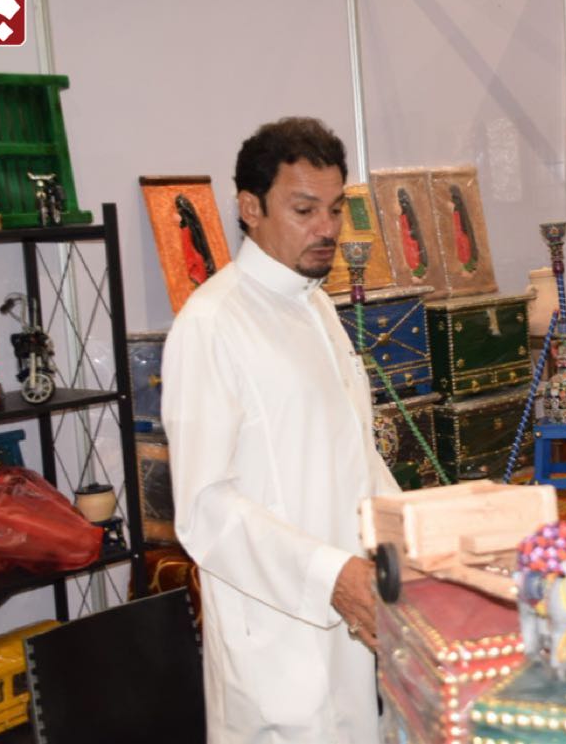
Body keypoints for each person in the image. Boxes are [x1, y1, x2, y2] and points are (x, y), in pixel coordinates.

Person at [162, 117, 400, 743]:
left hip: (352, 623)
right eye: (304, 210)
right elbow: (205, 508)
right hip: (275, 645)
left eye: (335, 208)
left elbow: (356, 457)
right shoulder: (211, 324)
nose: (327, 228)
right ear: (251, 208)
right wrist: (329, 576)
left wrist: (416, 542)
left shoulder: (316, 304)